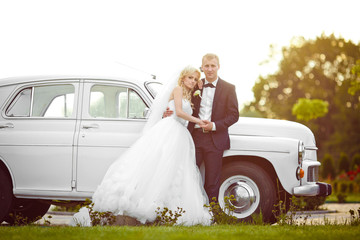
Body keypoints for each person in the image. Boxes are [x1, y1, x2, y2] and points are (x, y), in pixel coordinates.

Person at [70, 66, 212, 226]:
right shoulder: (178, 89)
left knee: (174, 171)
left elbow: (176, 110)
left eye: (195, 79)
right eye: (190, 78)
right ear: (183, 78)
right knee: (160, 167)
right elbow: (178, 112)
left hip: (179, 133)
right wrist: (199, 121)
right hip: (170, 130)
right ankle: (146, 205)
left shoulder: (189, 94)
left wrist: (200, 87)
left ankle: (168, 208)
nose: (192, 81)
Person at [187, 53, 239, 203]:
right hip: (194, 138)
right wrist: (169, 110)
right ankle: (187, 211)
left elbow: (234, 115)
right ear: (202, 67)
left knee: (212, 181)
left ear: (218, 67)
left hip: (215, 140)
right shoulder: (195, 85)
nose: (210, 69)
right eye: (206, 66)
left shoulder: (229, 88)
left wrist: (214, 126)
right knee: (189, 176)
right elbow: (181, 101)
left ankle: (211, 215)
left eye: (213, 66)